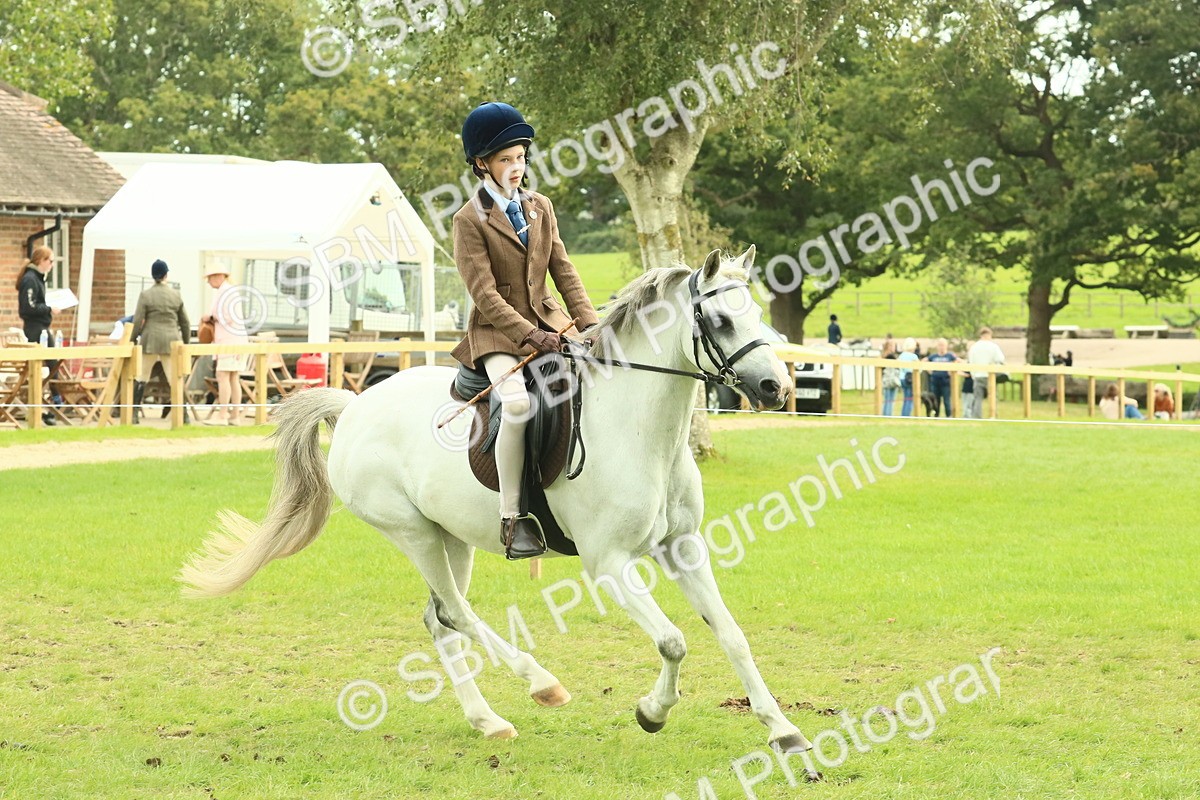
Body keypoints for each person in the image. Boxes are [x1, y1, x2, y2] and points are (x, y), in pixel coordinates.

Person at [451, 101, 599, 560]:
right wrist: (530, 336)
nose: (517, 168)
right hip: (498, 334)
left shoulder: (540, 207)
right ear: (482, 164)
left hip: (552, 324)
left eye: (521, 157)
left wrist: (590, 324)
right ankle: (512, 517)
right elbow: (486, 296)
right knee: (516, 404)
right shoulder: (467, 220)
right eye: (506, 160)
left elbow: (565, 270)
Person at [132, 259, 191, 423]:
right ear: (166, 275)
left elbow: (138, 320)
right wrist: (185, 343)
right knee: (175, 379)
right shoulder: (175, 295)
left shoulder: (146, 295)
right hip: (172, 340)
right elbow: (185, 322)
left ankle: (133, 415)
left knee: (141, 377)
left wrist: (132, 340)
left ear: (153, 275)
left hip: (150, 340)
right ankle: (184, 416)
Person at [200, 263, 249, 426]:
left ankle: (223, 415)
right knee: (233, 377)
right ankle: (234, 416)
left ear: (218, 276)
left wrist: (210, 317)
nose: (208, 282)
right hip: (235, 340)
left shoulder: (226, 292)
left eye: (210, 278)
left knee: (223, 375)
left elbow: (227, 316)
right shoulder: (228, 291)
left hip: (230, 340)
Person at [16, 245, 58, 426]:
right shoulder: (31, 279)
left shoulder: (38, 279)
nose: (52, 264)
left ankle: (52, 403)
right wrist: (49, 309)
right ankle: (54, 402)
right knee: (48, 365)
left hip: (41, 326)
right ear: (41, 260)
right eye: (51, 261)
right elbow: (28, 307)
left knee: (52, 364)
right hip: (35, 328)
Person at [967, 327, 1005, 419]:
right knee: (993, 397)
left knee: (978, 398)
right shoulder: (993, 346)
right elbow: (1001, 359)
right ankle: (993, 415)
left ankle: (977, 417)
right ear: (989, 335)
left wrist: (973, 374)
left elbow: (970, 361)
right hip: (990, 376)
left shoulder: (974, 347)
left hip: (978, 376)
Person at [925, 338, 959, 417]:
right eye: (940, 345)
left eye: (943, 345)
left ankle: (949, 416)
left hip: (945, 382)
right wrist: (929, 370)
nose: (941, 347)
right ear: (937, 346)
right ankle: (936, 416)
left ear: (946, 346)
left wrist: (951, 371)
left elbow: (958, 361)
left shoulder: (949, 356)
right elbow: (924, 361)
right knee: (936, 400)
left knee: (946, 400)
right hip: (935, 381)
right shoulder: (933, 356)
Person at [897, 337, 919, 416]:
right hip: (910, 379)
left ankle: (903, 414)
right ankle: (906, 415)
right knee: (910, 399)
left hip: (902, 378)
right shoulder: (913, 356)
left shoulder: (901, 355)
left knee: (905, 398)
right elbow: (919, 369)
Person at [880, 346, 901, 416]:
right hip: (892, 381)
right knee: (890, 400)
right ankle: (888, 414)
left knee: (887, 399)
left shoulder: (882, 358)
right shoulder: (892, 357)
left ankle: (885, 414)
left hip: (886, 381)